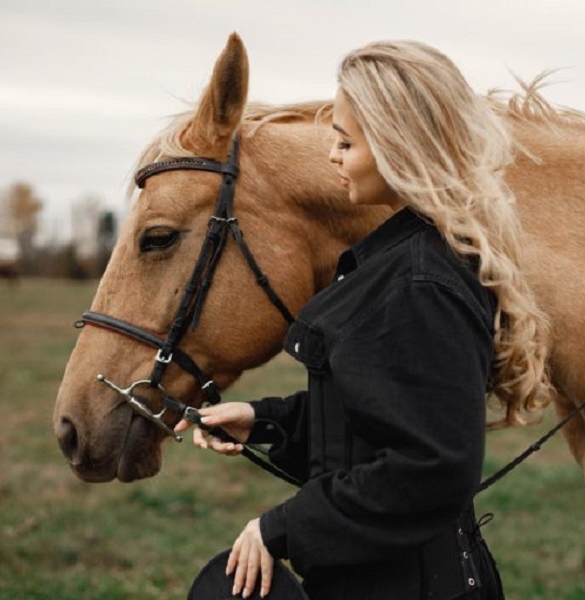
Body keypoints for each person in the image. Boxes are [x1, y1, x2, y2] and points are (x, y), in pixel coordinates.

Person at [176, 39, 551, 600]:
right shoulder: (400, 259)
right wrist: (263, 419)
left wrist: (279, 528)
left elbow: (433, 467)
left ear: (401, 147)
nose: (332, 155)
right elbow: (377, 417)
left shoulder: (419, 281)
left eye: (346, 142)